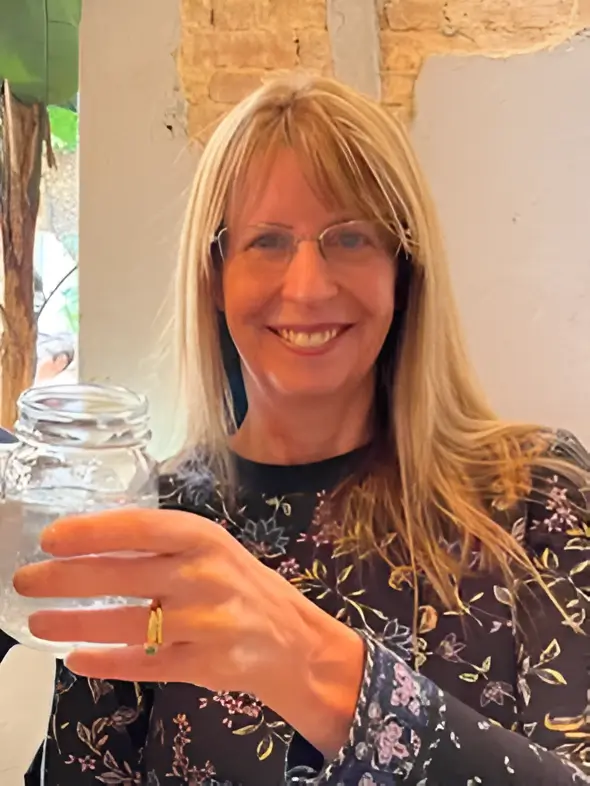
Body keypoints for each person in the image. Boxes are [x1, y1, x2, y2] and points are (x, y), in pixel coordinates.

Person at [4, 73, 589, 785]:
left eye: (349, 238)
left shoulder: (536, 495)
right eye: (268, 242)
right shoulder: (149, 527)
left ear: (403, 270)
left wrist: (322, 672)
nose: (308, 287)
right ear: (214, 275)